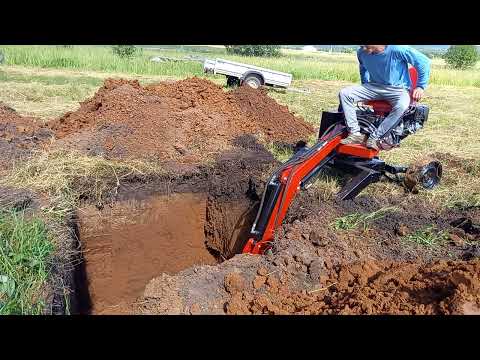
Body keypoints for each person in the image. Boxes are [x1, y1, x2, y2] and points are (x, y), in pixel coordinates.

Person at [339, 45, 431, 150]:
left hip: (398, 89)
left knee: (402, 106)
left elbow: (424, 62)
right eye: (362, 46)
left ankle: (375, 137)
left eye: (365, 45)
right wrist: (364, 86)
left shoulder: (397, 49)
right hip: (374, 86)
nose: (363, 49)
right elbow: (363, 68)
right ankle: (355, 134)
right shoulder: (362, 53)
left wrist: (420, 86)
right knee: (345, 93)